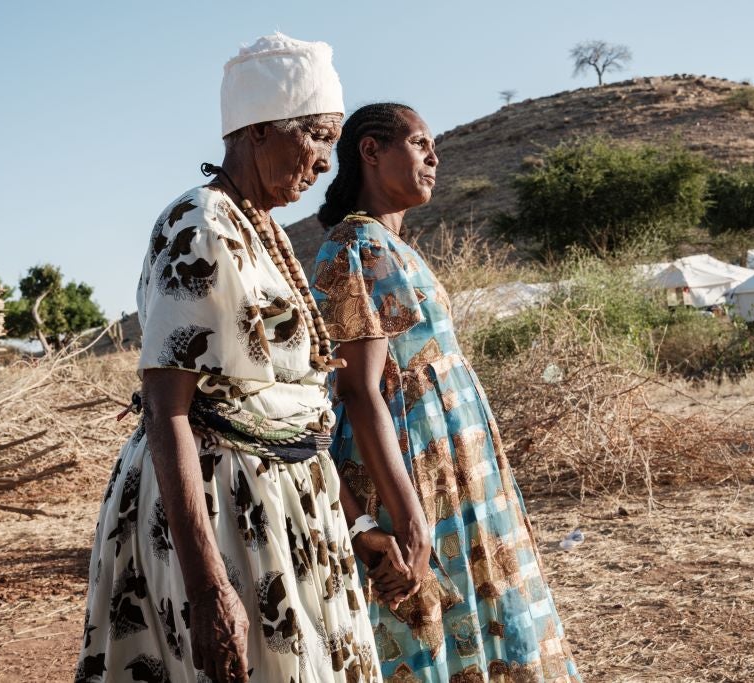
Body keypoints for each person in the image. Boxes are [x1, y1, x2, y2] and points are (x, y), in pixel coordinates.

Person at [76, 34, 382, 683]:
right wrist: (209, 587)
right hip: (224, 515)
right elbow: (168, 411)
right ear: (260, 130)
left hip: (281, 507)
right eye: (319, 138)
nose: (328, 163)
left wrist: (352, 519)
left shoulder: (259, 227)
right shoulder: (200, 226)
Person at [310, 103, 582, 682]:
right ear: (370, 150)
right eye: (420, 143)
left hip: (455, 471)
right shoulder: (356, 245)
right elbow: (358, 390)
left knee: (479, 614)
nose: (435, 157)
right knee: (419, 621)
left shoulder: (391, 245)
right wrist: (409, 517)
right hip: (408, 475)